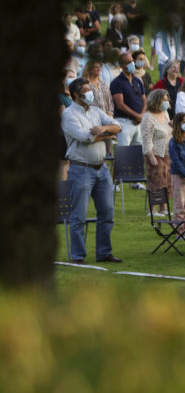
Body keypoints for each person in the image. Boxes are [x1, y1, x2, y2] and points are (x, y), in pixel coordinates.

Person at [62, 79, 122, 263]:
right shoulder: (69, 115)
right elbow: (84, 137)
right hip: (81, 169)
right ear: (76, 95)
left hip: (101, 168)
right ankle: (78, 256)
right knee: (79, 215)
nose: (91, 93)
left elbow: (117, 126)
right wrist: (107, 135)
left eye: (90, 90)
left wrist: (104, 128)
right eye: (86, 91)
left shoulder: (96, 111)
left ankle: (104, 253)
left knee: (107, 213)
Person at [140, 89, 173, 213]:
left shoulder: (165, 113)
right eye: (163, 100)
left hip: (167, 152)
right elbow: (146, 138)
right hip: (154, 153)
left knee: (166, 181)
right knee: (155, 181)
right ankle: (152, 209)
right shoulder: (148, 117)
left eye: (166, 99)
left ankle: (163, 208)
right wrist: (150, 155)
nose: (166, 102)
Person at [109, 52, 145, 146]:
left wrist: (141, 115)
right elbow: (120, 105)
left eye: (132, 61)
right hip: (124, 122)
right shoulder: (117, 82)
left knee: (138, 155)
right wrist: (137, 116)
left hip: (138, 123)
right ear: (121, 65)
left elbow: (144, 100)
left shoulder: (138, 80)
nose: (132, 64)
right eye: (128, 62)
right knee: (124, 154)